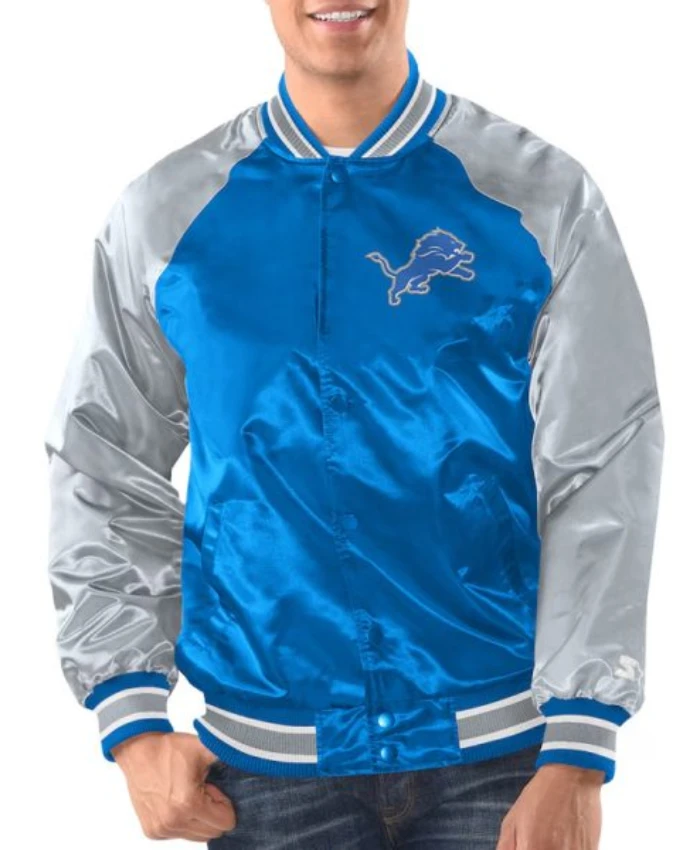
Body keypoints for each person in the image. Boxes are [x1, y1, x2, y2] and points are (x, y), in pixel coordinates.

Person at [44, 1, 664, 848]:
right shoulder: (168, 213)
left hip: (503, 761)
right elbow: (103, 457)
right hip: (261, 773)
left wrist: (582, 745)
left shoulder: (540, 195)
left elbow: (606, 458)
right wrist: (131, 720)